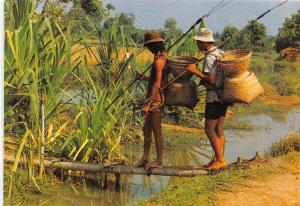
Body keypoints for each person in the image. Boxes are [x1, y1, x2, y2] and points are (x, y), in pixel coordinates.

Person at [187, 27, 228, 170]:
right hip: (224, 96)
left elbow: (211, 79)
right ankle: (217, 159)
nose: (197, 44)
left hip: (214, 97)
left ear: (205, 43)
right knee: (219, 129)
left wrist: (194, 71)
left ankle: (221, 160)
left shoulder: (210, 57)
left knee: (209, 129)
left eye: (198, 42)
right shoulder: (220, 53)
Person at [134, 31, 169, 168]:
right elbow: (155, 80)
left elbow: (157, 84)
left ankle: (159, 161)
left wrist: (148, 104)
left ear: (153, 46)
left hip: (156, 101)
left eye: (149, 46)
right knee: (146, 129)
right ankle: (144, 158)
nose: (148, 49)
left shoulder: (159, 62)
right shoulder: (161, 59)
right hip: (154, 99)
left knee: (156, 130)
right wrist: (143, 78)